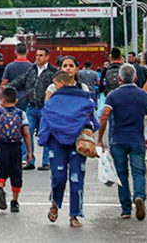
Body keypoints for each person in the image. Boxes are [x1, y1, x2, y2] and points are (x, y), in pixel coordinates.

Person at [97, 64, 147, 221]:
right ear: (135, 77)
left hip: (118, 140)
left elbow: (104, 116)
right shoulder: (143, 95)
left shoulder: (112, 95)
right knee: (138, 172)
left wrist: (99, 138)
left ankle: (126, 209)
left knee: (122, 174)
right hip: (137, 139)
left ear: (119, 78)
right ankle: (139, 197)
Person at [38, 71, 98, 228]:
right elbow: (92, 119)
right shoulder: (84, 99)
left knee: (73, 176)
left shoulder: (76, 97)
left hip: (72, 140)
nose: (55, 87)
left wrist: (42, 138)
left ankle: (74, 214)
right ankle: (55, 202)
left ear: (62, 83)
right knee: (62, 176)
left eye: (56, 84)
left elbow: (46, 117)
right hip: (60, 140)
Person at [6, 48, 56, 171]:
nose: (38, 57)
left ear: (47, 57)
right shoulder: (31, 70)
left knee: (45, 135)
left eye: (41, 55)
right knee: (26, 133)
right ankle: (28, 159)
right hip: (31, 107)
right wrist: (7, 87)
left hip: (46, 108)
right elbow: (20, 80)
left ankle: (46, 161)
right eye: (37, 55)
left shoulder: (53, 72)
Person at [0, 86, 30, 214]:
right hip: (16, 147)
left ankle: (0, 188)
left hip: (2, 146)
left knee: (1, 171)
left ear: (2, 100)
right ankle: (14, 201)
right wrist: (29, 151)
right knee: (16, 173)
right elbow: (26, 133)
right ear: (16, 100)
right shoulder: (20, 113)